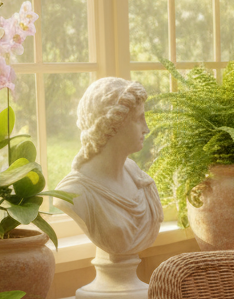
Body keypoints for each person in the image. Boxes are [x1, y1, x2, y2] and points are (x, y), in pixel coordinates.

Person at [55, 77, 161, 263]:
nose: (146, 128)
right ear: (113, 125)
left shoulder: (141, 180)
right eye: (138, 119)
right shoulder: (74, 194)